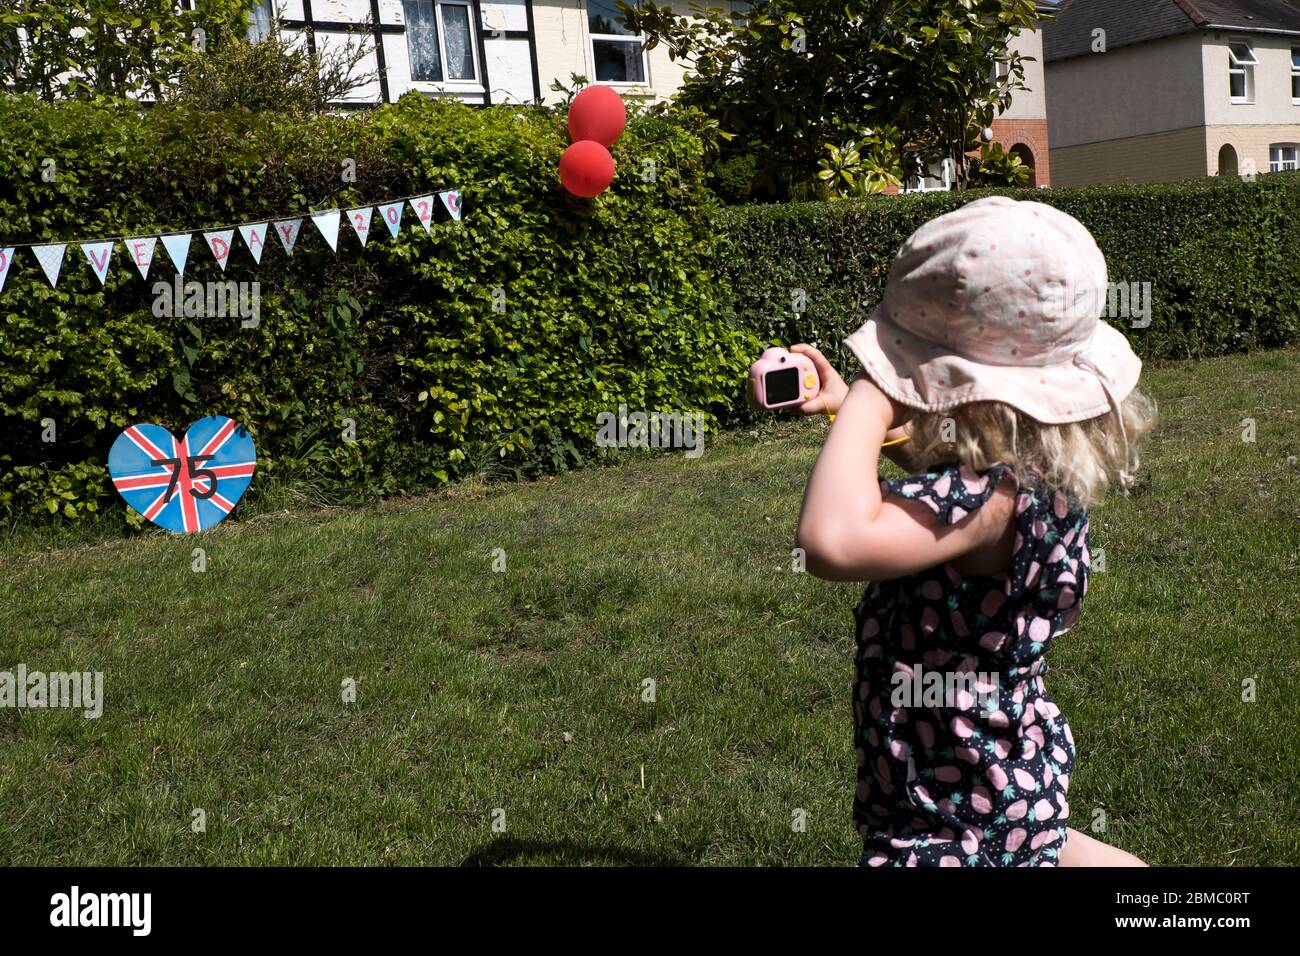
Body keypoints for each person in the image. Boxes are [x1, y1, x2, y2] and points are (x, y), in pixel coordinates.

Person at [792, 197, 1156, 866]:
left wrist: (876, 391)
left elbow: (830, 540)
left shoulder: (986, 505)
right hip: (1003, 767)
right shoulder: (1025, 480)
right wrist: (852, 404)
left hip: (946, 804)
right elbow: (938, 486)